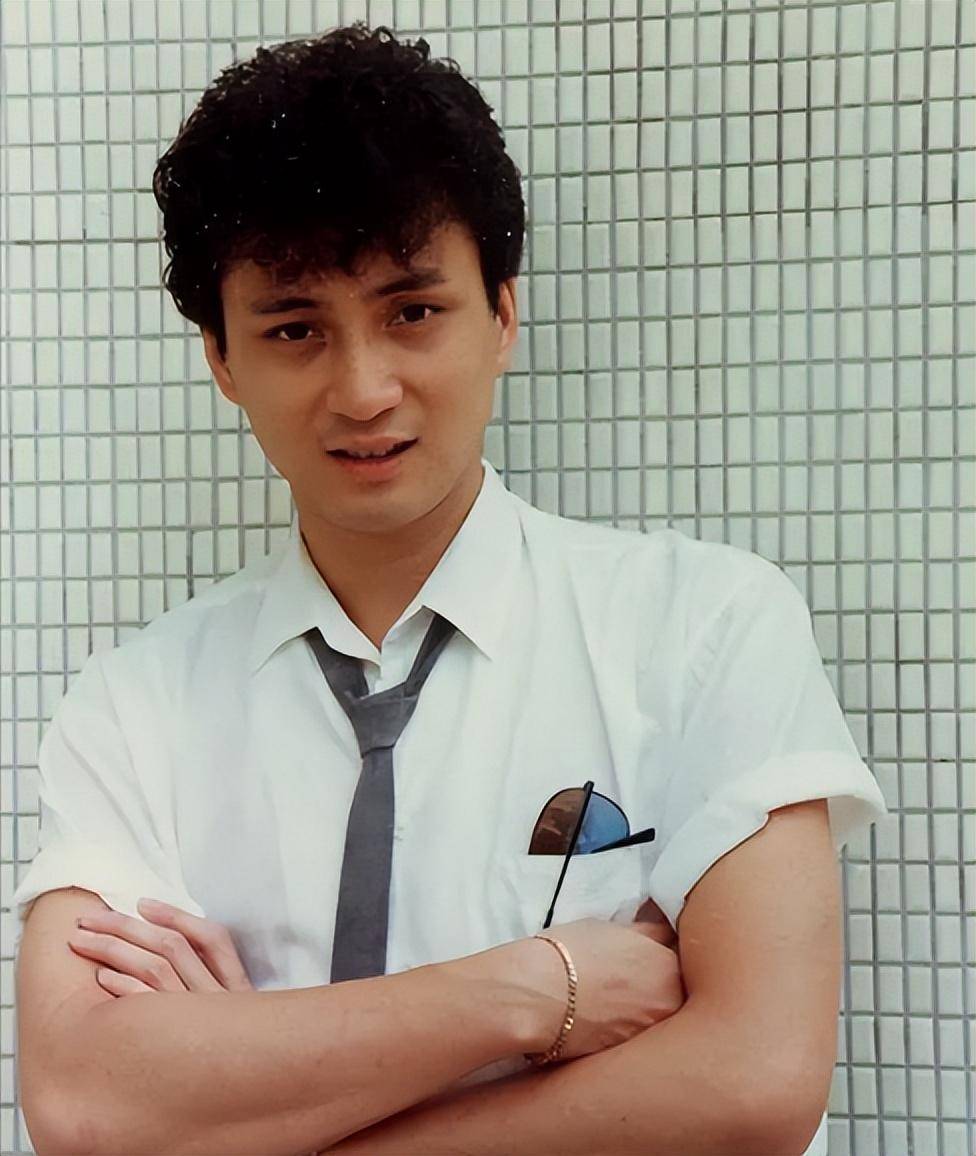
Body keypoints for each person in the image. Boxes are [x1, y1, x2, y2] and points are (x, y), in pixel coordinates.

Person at [13, 24, 888, 1156]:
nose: (363, 389)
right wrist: (537, 987)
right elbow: (84, 1103)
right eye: (295, 328)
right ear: (222, 359)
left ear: (503, 315)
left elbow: (754, 1083)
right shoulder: (132, 708)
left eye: (412, 312)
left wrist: (243, 1103)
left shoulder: (701, 628)